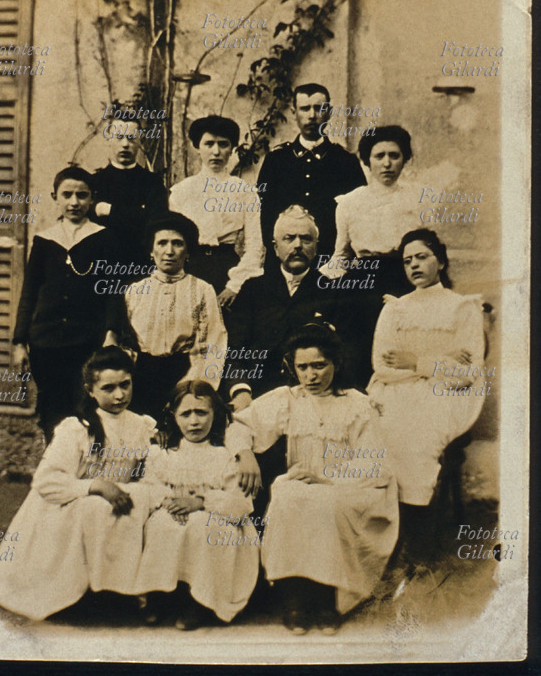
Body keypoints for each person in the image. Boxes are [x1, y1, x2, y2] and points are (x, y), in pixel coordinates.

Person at [228, 323, 399, 634]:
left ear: (336, 362)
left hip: (349, 488)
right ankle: (295, 598)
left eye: (320, 365)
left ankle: (326, 599)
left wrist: (326, 477)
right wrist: (245, 453)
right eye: (303, 367)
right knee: (286, 496)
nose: (311, 375)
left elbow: (375, 465)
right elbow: (239, 424)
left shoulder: (357, 404)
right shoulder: (288, 398)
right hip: (301, 483)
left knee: (326, 504)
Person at [0, 347, 155, 621]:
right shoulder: (78, 428)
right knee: (94, 508)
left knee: (138, 498)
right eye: (108, 388)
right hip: (65, 506)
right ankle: (81, 594)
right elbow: (46, 481)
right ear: (90, 390)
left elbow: (146, 471)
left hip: (114, 502)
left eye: (125, 385)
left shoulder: (142, 426)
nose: (119, 395)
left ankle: (118, 591)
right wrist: (94, 485)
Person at [367, 229, 485, 557]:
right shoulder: (395, 309)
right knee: (378, 433)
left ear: (441, 261)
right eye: (407, 261)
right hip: (396, 391)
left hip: (447, 396)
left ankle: (416, 543)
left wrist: (415, 360)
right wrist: (441, 358)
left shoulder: (463, 308)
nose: (414, 265)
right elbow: (383, 365)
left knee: (420, 434)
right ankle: (384, 536)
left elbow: (466, 374)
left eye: (422, 257)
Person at [136, 380, 259, 630]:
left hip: (220, 518)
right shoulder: (162, 454)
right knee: (161, 524)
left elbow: (240, 503)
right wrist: (170, 502)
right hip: (173, 511)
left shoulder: (225, 455)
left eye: (201, 413)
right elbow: (149, 487)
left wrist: (201, 502)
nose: (194, 422)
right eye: (186, 414)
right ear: (174, 416)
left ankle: (201, 600)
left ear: (215, 413)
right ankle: (162, 594)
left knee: (203, 526)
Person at [12, 166, 113, 443]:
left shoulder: (102, 238)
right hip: (46, 343)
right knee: (52, 410)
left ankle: (85, 472)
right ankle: (55, 468)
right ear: (55, 197)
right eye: (67, 195)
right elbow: (29, 292)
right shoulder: (45, 240)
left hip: (87, 341)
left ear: (92, 199)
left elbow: (113, 291)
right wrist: (20, 342)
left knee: (86, 408)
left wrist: (111, 332)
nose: (74, 202)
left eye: (82, 195)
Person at [225, 205, 361, 409]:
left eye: (306, 239)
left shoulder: (333, 292)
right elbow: (234, 349)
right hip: (258, 396)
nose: (298, 245)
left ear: (316, 247)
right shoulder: (253, 290)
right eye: (288, 238)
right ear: (275, 247)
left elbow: (347, 353)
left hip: (316, 398)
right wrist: (241, 390)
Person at [318, 125, 422, 387]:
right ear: (367, 161)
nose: (387, 163)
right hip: (361, 286)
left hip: (404, 282)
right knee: (358, 356)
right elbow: (341, 254)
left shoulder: (417, 200)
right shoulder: (350, 202)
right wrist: (315, 284)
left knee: (401, 356)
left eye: (394, 155)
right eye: (379, 156)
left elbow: (426, 252)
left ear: (405, 158)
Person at [105, 212, 227, 423]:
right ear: (152, 251)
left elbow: (212, 346)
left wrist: (191, 390)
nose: (169, 251)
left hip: (184, 375)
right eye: (162, 243)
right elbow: (126, 341)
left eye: (177, 244)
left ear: (187, 251)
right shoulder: (135, 291)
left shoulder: (202, 290)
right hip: (140, 378)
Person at [257, 83, 366, 259]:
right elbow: (264, 214)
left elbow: (358, 215)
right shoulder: (275, 161)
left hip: (330, 261)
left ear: (329, 112)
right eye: (305, 109)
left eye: (319, 108)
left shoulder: (346, 161)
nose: (312, 116)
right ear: (294, 113)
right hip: (283, 262)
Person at [169, 115, 264, 307]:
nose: (216, 152)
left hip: (229, 269)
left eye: (223, 144)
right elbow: (171, 242)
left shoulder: (245, 191)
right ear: (197, 147)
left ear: (232, 149)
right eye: (209, 144)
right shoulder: (180, 191)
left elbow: (255, 246)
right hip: (189, 268)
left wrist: (235, 285)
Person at [90, 120, 168, 272]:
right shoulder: (94, 182)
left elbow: (156, 221)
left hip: (141, 263)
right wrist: (138, 213)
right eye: (119, 137)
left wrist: (109, 210)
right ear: (109, 141)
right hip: (101, 265)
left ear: (140, 142)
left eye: (132, 138)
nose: (125, 144)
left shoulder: (152, 182)